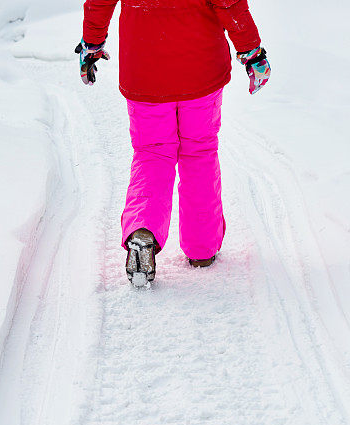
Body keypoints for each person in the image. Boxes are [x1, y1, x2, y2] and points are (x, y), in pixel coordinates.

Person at [77, 0, 271, 287]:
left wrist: (91, 45)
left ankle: (143, 232)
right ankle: (202, 249)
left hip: (144, 72)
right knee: (200, 152)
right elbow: (229, 3)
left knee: (152, 154)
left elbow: (99, 2)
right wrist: (251, 51)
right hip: (201, 70)